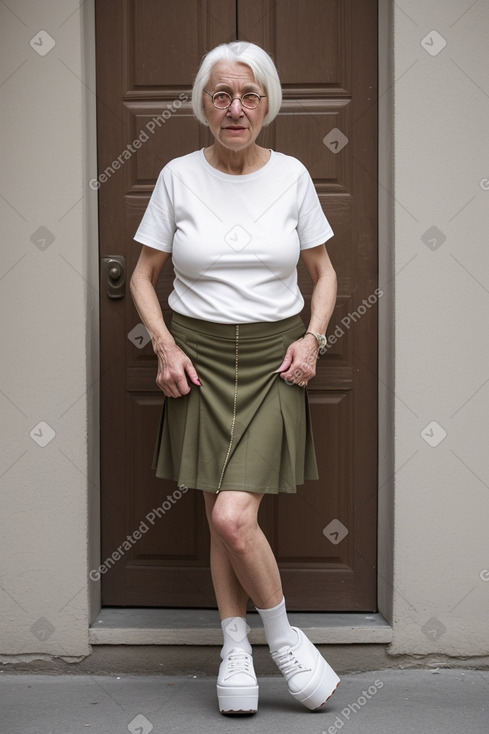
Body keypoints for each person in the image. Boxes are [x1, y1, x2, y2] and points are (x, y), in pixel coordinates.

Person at [130, 41, 340, 715]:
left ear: (266, 104)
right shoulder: (176, 176)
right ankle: (232, 649)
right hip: (197, 358)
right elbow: (141, 276)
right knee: (224, 518)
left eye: (249, 95)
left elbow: (324, 273)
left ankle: (278, 639)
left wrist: (312, 337)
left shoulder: (294, 176)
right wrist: (163, 346)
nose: (235, 108)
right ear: (203, 104)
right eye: (221, 95)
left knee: (230, 514)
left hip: (274, 361)